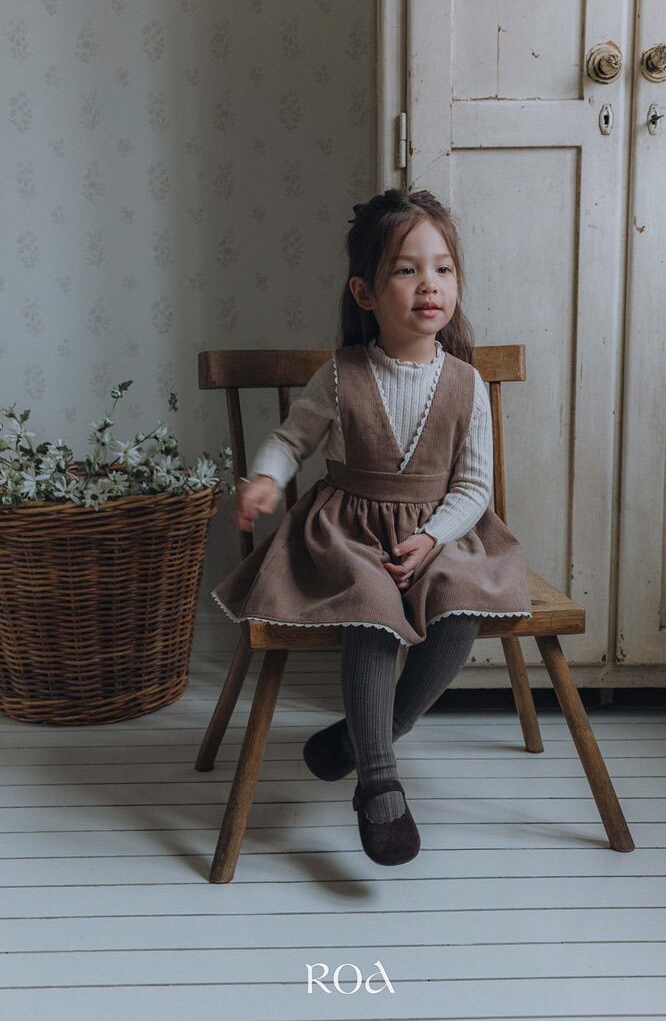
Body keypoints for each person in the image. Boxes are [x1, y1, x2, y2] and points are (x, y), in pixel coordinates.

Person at [211, 188, 532, 867]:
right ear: (365, 291)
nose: (429, 285)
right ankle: (379, 781)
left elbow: (474, 486)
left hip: (439, 530)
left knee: (462, 605)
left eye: (443, 269)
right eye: (406, 270)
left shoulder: (466, 384)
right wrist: (265, 476)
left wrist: (435, 536)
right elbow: (291, 440)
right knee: (370, 607)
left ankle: (362, 738)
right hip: (348, 530)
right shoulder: (341, 376)